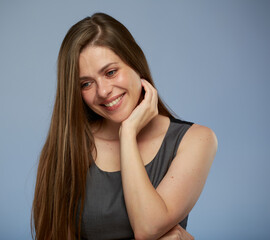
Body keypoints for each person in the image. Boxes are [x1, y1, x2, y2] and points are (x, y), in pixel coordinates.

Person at [32, 12, 217, 240]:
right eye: (86, 83)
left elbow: (148, 227)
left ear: (135, 63)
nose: (103, 91)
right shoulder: (66, 147)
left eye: (111, 72)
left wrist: (127, 134)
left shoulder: (196, 140)